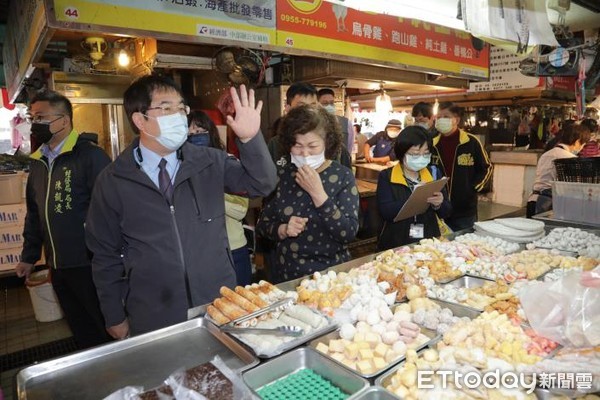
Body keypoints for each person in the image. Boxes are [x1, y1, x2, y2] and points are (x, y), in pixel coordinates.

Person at [85, 76, 277, 338]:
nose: (178, 116)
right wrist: (113, 315)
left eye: (181, 108)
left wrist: (251, 139)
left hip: (218, 302)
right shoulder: (113, 180)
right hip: (154, 311)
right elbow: (104, 255)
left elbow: (262, 184)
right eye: (165, 108)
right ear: (139, 120)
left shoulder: (209, 161)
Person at [16, 90, 112, 349]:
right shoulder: (38, 163)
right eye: (32, 116)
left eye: (41, 117)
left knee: (105, 325)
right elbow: (35, 213)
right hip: (57, 265)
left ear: (64, 120)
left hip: (90, 263)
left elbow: (112, 209)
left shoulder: (91, 156)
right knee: (80, 328)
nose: (35, 123)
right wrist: (29, 256)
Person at [256, 105, 359, 282]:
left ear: (327, 143)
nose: (304, 153)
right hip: (287, 274)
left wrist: (319, 194)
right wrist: (283, 229)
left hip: (330, 276)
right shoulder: (283, 175)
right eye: (297, 146)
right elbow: (263, 225)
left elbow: (348, 232)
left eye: (312, 146)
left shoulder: (342, 176)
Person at [187, 110, 252, 286]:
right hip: (198, 253)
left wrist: (208, 195)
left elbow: (240, 210)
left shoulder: (227, 163)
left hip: (233, 248)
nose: (195, 137)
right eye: (190, 134)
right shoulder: (181, 170)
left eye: (200, 132)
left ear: (211, 133)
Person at [376, 126, 452, 251]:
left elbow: (446, 212)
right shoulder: (387, 176)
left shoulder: (433, 173)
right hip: (396, 241)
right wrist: (414, 198)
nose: (421, 158)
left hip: (428, 240)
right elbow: (386, 211)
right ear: (402, 153)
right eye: (415, 154)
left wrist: (439, 204)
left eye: (426, 153)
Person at [430, 102, 492, 231]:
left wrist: (473, 188)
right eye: (439, 117)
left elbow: (487, 167)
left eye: (445, 116)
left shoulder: (471, 142)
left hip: (465, 210)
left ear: (456, 119)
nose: (441, 120)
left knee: (464, 244)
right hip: (438, 207)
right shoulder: (432, 144)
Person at [527, 124, 591, 218]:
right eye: (583, 145)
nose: (581, 148)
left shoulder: (546, 154)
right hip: (549, 206)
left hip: (533, 201)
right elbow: (575, 188)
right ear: (577, 142)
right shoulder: (570, 159)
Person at [268, 82, 318, 169]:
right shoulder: (275, 144)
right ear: (288, 108)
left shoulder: (330, 142)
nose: (309, 110)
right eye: (301, 106)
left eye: (313, 106)